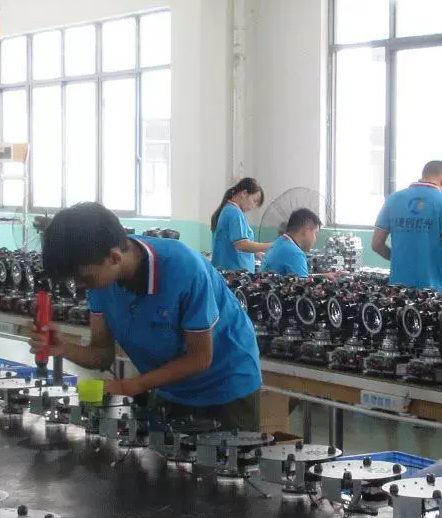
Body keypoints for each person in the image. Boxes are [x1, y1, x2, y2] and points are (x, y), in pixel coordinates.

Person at [38, 201, 263, 431]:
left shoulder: (184, 268)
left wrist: (132, 386)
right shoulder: (100, 279)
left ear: (114, 258)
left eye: (84, 278)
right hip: (169, 385)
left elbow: (199, 358)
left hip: (225, 385)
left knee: (219, 453)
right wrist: (62, 347)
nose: (80, 286)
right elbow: (101, 355)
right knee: (160, 450)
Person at [372, 159, 442, 291]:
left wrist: (399, 260)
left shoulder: (393, 199)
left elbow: (376, 244)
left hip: (398, 288)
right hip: (434, 290)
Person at [209, 178, 270, 273]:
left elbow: (234, 244)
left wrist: (256, 252)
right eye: (254, 201)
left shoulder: (230, 210)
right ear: (244, 193)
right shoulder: (234, 212)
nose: (253, 206)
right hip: (233, 273)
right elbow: (241, 244)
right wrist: (269, 246)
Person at [260, 208, 322, 277]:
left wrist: (321, 276)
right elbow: (303, 283)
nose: (315, 239)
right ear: (306, 231)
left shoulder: (280, 242)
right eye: (315, 233)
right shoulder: (295, 253)